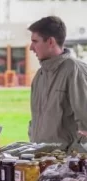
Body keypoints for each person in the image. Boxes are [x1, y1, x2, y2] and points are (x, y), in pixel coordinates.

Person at [28, 16, 87, 152]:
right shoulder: (39, 76)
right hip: (42, 162)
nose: (31, 47)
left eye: (35, 41)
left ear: (50, 42)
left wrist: (70, 161)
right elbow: (36, 121)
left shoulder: (74, 70)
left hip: (67, 166)